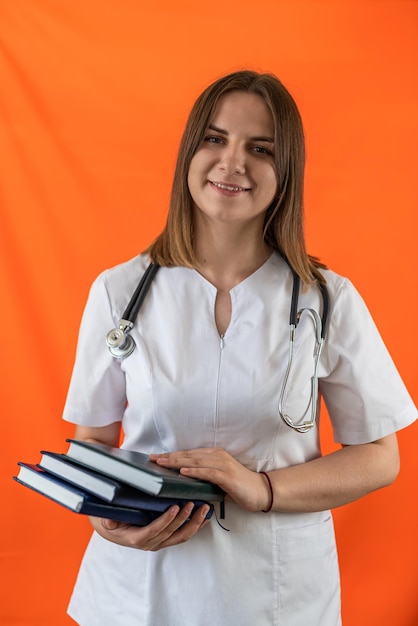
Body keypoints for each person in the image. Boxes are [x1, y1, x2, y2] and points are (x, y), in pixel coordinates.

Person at [62, 70, 416, 626]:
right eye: (214, 138)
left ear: (287, 171)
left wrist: (261, 487)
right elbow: (92, 442)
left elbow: (379, 457)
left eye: (260, 148)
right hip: (138, 594)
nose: (233, 163)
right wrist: (105, 519)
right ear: (189, 153)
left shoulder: (328, 299)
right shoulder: (118, 291)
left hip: (275, 594)